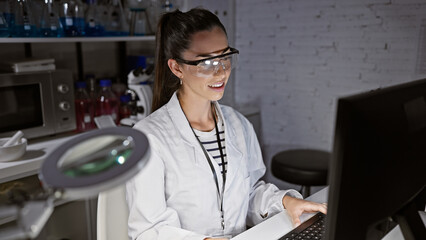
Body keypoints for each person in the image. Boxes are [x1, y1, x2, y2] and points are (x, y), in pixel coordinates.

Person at [125, 8, 327, 240]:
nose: (221, 72)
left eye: (224, 57)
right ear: (176, 68)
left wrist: (285, 201)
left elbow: (249, 193)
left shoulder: (239, 125)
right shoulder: (148, 139)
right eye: (207, 62)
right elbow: (147, 230)